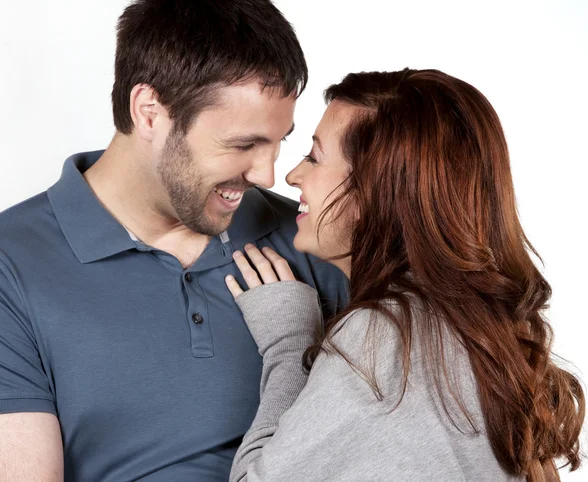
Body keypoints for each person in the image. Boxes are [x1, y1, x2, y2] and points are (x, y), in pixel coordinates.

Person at [0, 1, 348, 480]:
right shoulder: (12, 262)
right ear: (149, 112)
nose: (269, 175)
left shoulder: (313, 238)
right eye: (243, 145)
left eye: (280, 142)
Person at [226, 69, 586, 481]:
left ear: (371, 192)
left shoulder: (383, 336)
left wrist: (290, 346)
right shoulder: (475, 329)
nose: (292, 176)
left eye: (314, 157)